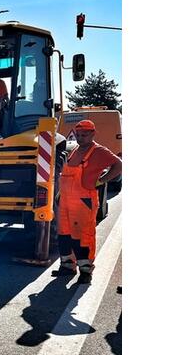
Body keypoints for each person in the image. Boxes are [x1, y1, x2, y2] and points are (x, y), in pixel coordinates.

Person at [54, 119, 122, 284]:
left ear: (93, 134)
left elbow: (119, 165)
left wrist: (102, 180)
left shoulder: (99, 151)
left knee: (83, 237)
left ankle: (85, 270)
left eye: (84, 135)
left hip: (83, 201)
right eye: (78, 135)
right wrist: (59, 194)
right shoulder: (75, 150)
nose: (80, 138)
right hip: (66, 201)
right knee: (64, 234)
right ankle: (67, 265)